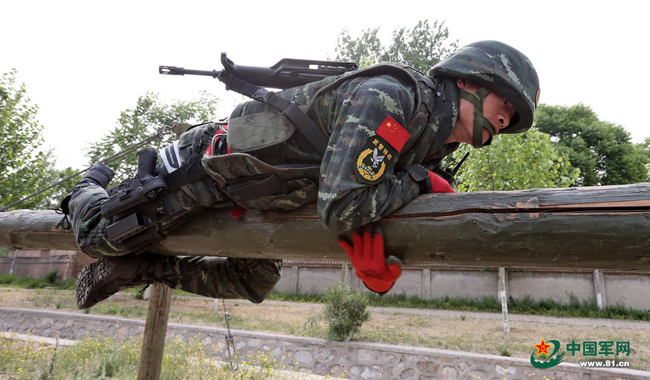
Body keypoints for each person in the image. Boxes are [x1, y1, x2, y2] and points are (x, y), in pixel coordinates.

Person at [64, 40, 540, 308]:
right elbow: (344, 206)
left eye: (513, 118)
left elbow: (365, 199)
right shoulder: (393, 99)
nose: (506, 120)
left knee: (251, 283)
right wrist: (417, 182)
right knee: (96, 236)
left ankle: (139, 269)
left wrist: (383, 260)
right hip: (207, 168)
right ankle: (86, 187)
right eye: (505, 104)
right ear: (469, 81)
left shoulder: (425, 142)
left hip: (263, 196)